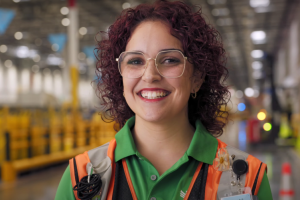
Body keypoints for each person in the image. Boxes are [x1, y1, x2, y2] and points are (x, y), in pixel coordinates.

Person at [55, 1, 273, 199]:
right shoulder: (81, 177)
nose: (150, 75)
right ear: (119, 77)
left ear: (196, 78)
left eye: (169, 60)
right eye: (135, 61)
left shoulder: (247, 180)